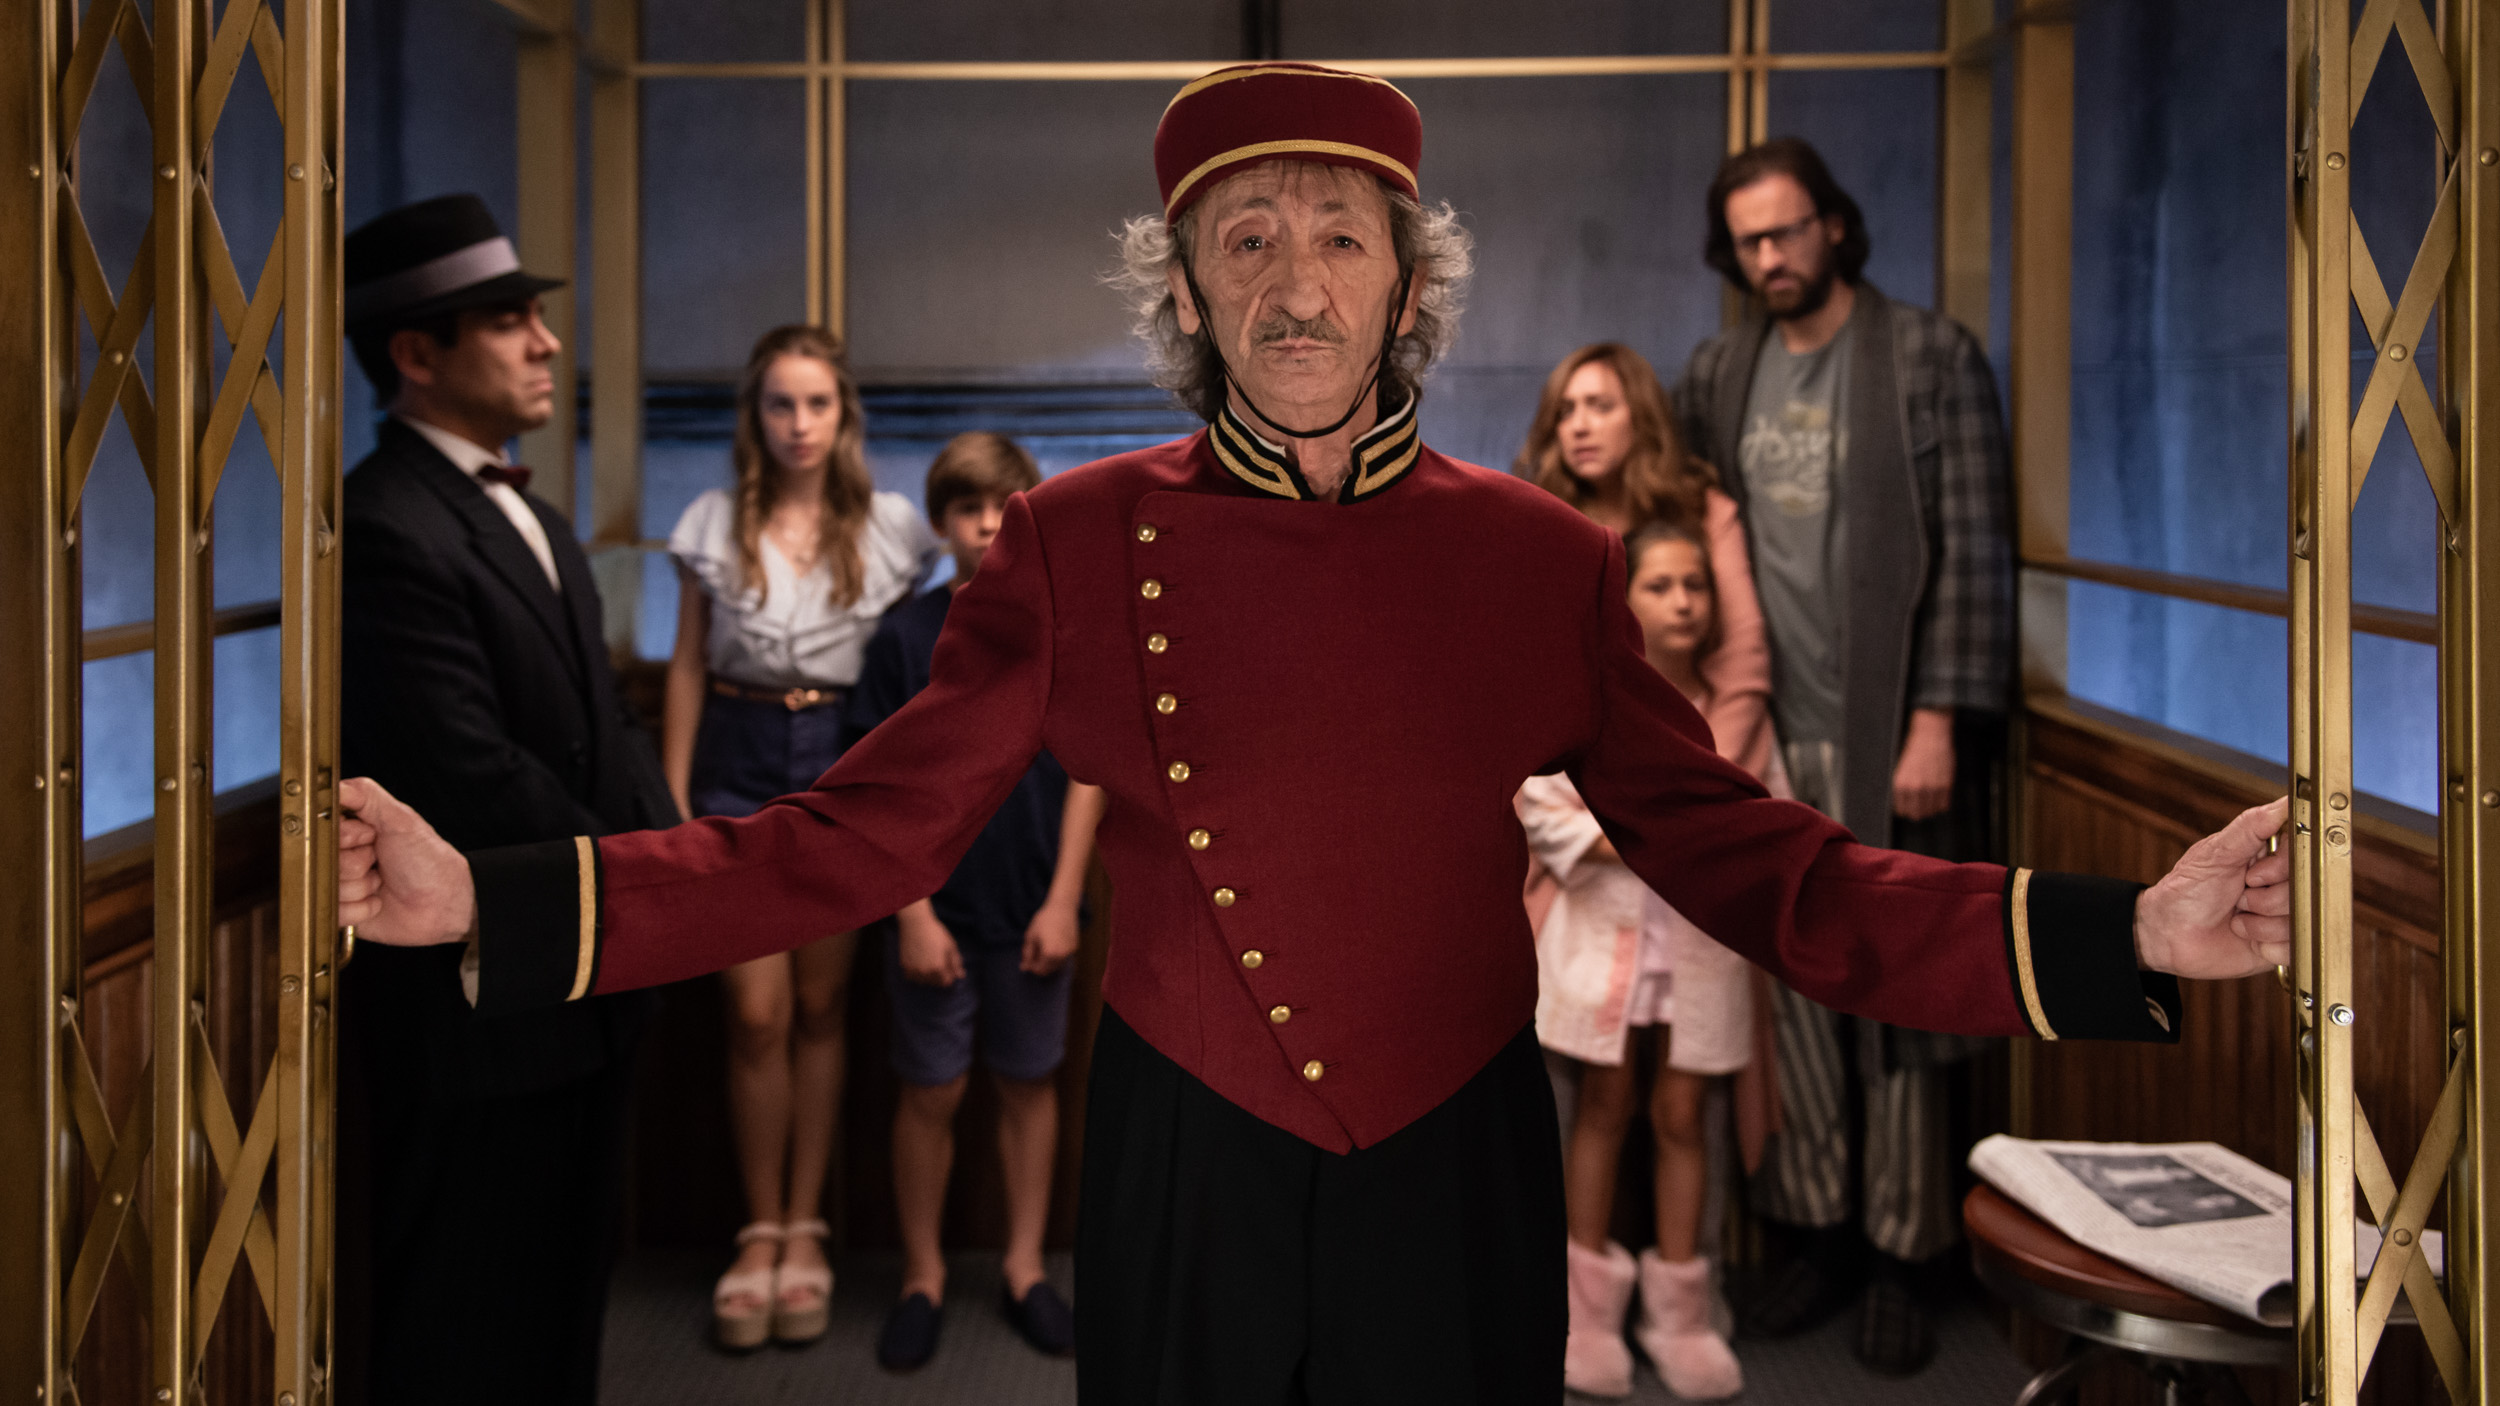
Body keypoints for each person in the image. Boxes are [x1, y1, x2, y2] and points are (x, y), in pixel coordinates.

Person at [335, 65, 2292, 1406]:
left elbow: (1759, 864)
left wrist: (2126, 930)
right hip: (1181, 1153)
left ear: (1408, 282)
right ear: (1184, 290)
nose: (1294, 283)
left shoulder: (1538, 559)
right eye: (1246, 239)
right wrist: (498, 902)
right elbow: (847, 838)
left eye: (1340, 236)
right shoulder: (1075, 542)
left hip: (1458, 1160)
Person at [1673, 137, 2019, 1373]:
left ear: (1832, 224)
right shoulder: (1718, 373)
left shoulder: (1927, 356)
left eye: (1786, 230)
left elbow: (1975, 549)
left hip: (1890, 733)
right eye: (1747, 242)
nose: (1769, 255)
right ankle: (1815, 1233)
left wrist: (1940, 716)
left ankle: (1902, 1253)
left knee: (1902, 987)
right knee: (1797, 995)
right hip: (1769, 737)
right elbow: (1678, 537)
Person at [336, 193, 678, 1405]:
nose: (546, 342)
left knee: (563, 1308)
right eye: (507, 321)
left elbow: (612, 726)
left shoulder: (534, 513)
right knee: (465, 1321)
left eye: (538, 316)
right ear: (415, 354)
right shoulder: (382, 525)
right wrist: (642, 889)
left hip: (582, 981)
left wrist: (678, 873)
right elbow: (467, 772)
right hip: (475, 1014)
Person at [659, 324, 940, 1348]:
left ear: (844, 415)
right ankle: (758, 1225)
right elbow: (687, 664)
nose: (799, 423)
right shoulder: (711, 520)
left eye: (818, 403)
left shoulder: (892, 527)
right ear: (756, 416)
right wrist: (675, 797)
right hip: (735, 756)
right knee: (755, 1012)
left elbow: (912, 671)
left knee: (822, 1008)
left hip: (841, 753)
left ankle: (805, 1229)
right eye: (780, 403)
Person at [845, 432, 1107, 1370]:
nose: (989, 525)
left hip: (1035, 906)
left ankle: (1026, 1268)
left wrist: (1065, 899)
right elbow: (872, 792)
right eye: (968, 509)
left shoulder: (1064, 628)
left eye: (1005, 507)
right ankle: (921, 1277)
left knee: (1029, 1084)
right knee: (931, 1090)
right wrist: (911, 912)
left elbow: (1090, 773)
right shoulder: (904, 638)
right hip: (934, 912)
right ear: (940, 522)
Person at [1517, 521, 1769, 1401]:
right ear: (1624, 601)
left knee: (1683, 1112)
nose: (1682, 602)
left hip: (1701, 942)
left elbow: (1756, 825)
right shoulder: (1584, 698)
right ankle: (1584, 1314)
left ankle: (1682, 1317)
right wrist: (1672, 834)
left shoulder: (1735, 716)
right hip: (1601, 935)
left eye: (1695, 585)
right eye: (1659, 586)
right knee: (1603, 1103)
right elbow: (1546, 812)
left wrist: (1638, 833)